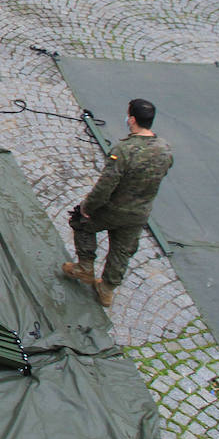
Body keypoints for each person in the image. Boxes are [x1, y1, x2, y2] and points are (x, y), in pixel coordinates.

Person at [62, 98, 173, 308]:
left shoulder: (123, 150)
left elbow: (106, 185)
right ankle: (107, 289)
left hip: (114, 209)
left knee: (80, 224)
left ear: (131, 119)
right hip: (140, 212)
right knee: (122, 249)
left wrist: (87, 208)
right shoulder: (164, 148)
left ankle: (85, 267)